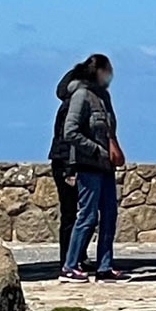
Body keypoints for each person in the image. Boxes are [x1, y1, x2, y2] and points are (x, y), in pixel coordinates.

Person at [60, 54, 126, 283]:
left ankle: (105, 266)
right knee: (86, 216)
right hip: (88, 164)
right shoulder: (81, 96)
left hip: (106, 166)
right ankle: (70, 265)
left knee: (110, 215)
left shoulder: (104, 97)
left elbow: (109, 129)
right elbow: (70, 132)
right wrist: (95, 150)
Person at [49, 65, 94, 271]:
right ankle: (70, 259)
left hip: (68, 162)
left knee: (80, 214)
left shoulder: (72, 102)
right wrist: (70, 170)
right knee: (72, 215)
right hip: (67, 164)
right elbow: (68, 138)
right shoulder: (74, 105)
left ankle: (76, 256)